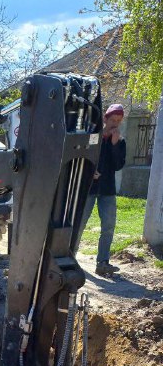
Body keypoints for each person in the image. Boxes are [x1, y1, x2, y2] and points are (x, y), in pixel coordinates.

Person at [77, 103, 126, 277]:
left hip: (107, 190)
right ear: (105, 119)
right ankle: (70, 258)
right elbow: (81, 158)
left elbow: (118, 165)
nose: (115, 124)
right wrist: (90, 173)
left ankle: (103, 262)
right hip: (88, 188)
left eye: (119, 121)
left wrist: (114, 145)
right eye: (113, 119)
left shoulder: (119, 141)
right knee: (80, 224)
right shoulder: (93, 137)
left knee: (108, 225)